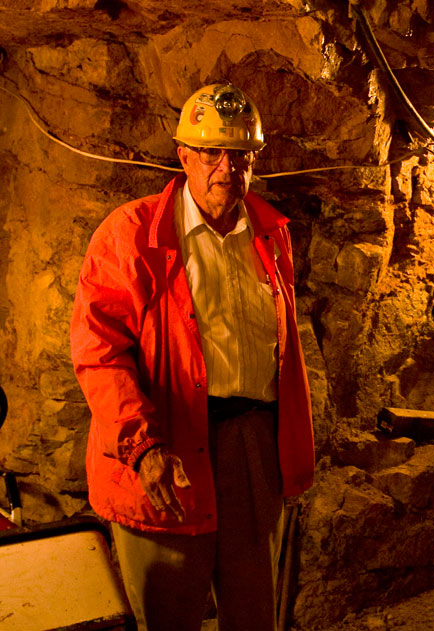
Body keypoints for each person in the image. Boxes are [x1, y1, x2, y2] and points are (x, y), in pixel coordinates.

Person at [70, 83, 315, 631]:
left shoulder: (271, 234)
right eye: (211, 153)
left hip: (253, 445)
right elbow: (98, 351)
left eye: (241, 154)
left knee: (254, 615)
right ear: (184, 156)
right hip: (166, 450)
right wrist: (142, 444)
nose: (227, 168)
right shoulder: (132, 235)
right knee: (169, 616)